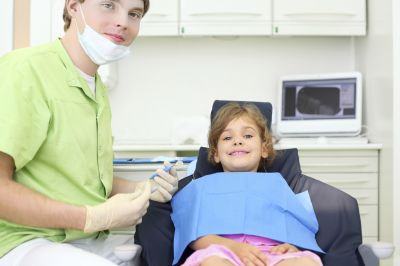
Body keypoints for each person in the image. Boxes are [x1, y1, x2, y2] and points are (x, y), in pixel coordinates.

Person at [0, 0, 179, 265]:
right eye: (109, 5)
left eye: (134, 14)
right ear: (73, 6)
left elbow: (83, 181)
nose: (123, 22)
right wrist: (91, 217)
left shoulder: (97, 89)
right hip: (26, 242)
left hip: (87, 241)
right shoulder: (25, 70)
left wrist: (143, 188)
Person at [174, 103, 323, 266]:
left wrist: (291, 247)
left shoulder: (277, 185)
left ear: (264, 149)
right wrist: (234, 247)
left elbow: (294, 228)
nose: (237, 141)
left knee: (304, 262)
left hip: (270, 254)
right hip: (222, 252)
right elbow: (193, 234)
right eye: (227, 137)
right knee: (212, 262)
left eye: (248, 136)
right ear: (216, 153)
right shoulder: (202, 187)